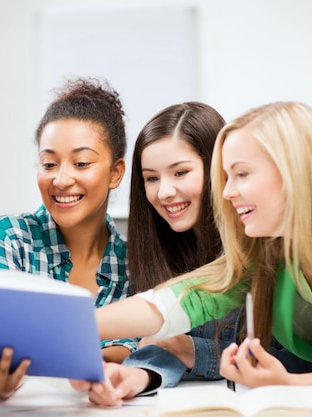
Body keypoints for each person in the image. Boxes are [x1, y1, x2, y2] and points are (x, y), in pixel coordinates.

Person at [93, 101, 312, 400]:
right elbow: (188, 298)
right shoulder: (271, 246)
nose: (226, 192)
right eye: (226, 177)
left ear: (293, 170)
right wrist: (80, 325)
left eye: (241, 174)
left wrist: (289, 384)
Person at [0, 77, 131, 400]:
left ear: (115, 172)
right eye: (48, 163)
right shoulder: (7, 238)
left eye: (81, 163)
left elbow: (136, 351)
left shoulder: (134, 263)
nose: (61, 179)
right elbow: (2, 345)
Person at [71, 102, 242, 405]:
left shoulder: (253, 243)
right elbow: (161, 341)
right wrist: (137, 376)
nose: (164, 192)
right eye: (151, 178)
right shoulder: (157, 249)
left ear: (218, 169)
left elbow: (271, 353)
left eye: (180, 172)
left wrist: (192, 350)